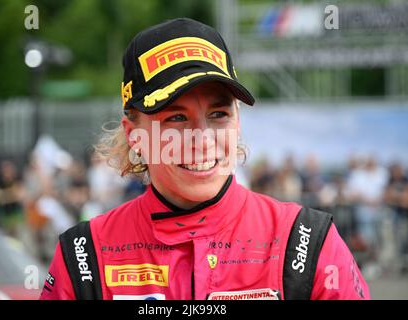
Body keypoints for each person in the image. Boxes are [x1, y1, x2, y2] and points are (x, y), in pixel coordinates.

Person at [40, 18, 370, 300]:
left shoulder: (307, 241)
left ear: (238, 123)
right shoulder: (85, 256)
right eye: (176, 119)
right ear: (134, 135)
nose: (203, 138)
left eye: (218, 113)